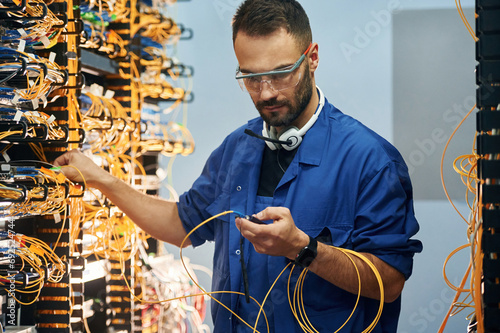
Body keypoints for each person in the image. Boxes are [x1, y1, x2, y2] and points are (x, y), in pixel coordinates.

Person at [55, 0, 423, 332]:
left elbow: (389, 284)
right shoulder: (237, 149)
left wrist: (303, 248)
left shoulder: (370, 160)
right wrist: (102, 180)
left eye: (280, 74)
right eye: (250, 77)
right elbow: (182, 224)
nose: (265, 93)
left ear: (312, 58)